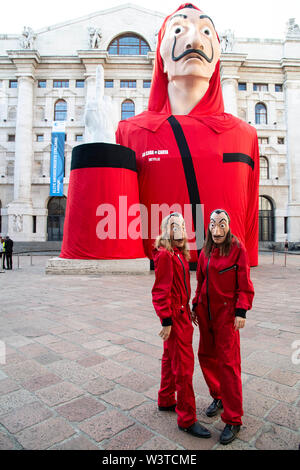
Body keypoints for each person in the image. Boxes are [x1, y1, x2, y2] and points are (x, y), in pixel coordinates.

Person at [116, 3, 259, 267]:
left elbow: (250, 213)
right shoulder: (130, 132)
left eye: (206, 32)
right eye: (179, 29)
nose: (195, 40)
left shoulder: (245, 135)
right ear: (160, 55)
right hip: (157, 270)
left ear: (217, 58)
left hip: (223, 272)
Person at [192, 209, 254, 445]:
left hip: (227, 316)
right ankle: (218, 396)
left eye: (222, 224)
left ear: (228, 226)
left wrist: (241, 311)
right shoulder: (206, 250)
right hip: (205, 314)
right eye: (212, 225)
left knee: (229, 364)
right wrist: (196, 303)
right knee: (206, 356)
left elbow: (245, 284)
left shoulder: (237, 249)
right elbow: (200, 280)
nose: (216, 230)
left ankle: (234, 418)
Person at [152, 212, 211, 438]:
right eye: (175, 226)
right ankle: (187, 419)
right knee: (184, 368)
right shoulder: (166, 255)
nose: (180, 230)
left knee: (169, 360)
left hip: (182, 313)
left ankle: (166, 399)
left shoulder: (178, 253)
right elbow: (160, 291)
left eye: (183, 226)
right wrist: (166, 321)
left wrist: (189, 309)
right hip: (175, 318)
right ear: (167, 230)